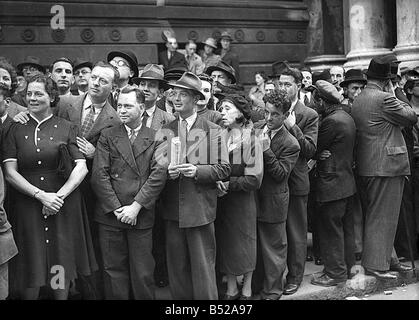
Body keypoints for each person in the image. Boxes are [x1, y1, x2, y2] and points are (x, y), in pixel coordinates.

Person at [3, 74, 97, 299]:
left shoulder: (67, 127)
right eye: (29, 94)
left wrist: (58, 197)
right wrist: (41, 196)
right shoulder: (14, 129)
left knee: (60, 258)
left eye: (39, 93)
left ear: (52, 96)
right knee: (31, 260)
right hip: (28, 204)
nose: (32, 98)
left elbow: (81, 167)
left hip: (62, 206)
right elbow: (9, 172)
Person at [158, 72, 231, 300]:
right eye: (174, 94)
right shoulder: (166, 129)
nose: (177, 98)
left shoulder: (213, 130)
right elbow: (156, 166)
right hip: (172, 210)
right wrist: (166, 172)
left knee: (203, 269)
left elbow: (224, 168)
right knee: (177, 270)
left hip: (199, 209)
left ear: (196, 99)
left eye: (183, 94)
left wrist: (197, 171)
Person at [91, 86, 167, 299]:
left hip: (140, 214)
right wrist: (117, 209)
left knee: (143, 272)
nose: (122, 110)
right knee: (113, 271)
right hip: (110, 214)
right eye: (120, 105)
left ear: (142, 108)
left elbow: (158, 175)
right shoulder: (107, 135)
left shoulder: (158, 137)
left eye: (128, 106)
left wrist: (135, 207)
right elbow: (99, 175)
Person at [352, 57, 417, 279]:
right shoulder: (384, 98)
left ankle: (389, 259)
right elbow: (410, 116)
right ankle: (375, 266)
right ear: (385, 81)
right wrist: (397, 93)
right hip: (385, 165)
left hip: (371, 164)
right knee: (382, 217)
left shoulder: (360, 97)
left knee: (380, 214)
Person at [252, 89, 300, 300]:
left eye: (275, 114)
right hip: (252, 198)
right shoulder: (255, 129)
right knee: (256, 247)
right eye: (266, 113)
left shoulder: (291, 143)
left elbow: (281, 174)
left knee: (274, 249)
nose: (268, 118)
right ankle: (256, 286)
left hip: (274, 200)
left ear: (285, 115)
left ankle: (273, 291)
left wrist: (265, 149)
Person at [216, 94, 263, 300]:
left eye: (227, 109)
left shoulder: (252, 141)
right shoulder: (220, 137)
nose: (222, 113)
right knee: (226, 243)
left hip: (243, 202)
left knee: (245, 244)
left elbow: (254, 180)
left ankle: (247, 288)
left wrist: (229, 184)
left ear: (241, 114)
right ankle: (232, 288)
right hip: (222, 201)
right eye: (221, 108)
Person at [310, 80, 357, 287]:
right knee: (344, 229)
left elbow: (313, 148)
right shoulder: (346, 116)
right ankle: (346, 268)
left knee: (331, 231)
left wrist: (319, 153)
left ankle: (335, 274)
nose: (314, 104)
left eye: (316, 100)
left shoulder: (331, 122)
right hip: (345, 182)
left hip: (331, 184)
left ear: (321, 101)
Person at [278, 65, 319, 295]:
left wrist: (293, 127)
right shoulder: (269, 108)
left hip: (296, 181)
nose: (282, 88)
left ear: (298, 86)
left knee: (295, 232)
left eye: (287, 84)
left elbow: (310, 150)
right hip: (273, 181)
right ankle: (274, 276)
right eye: (280, 84)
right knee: (275, 231)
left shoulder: (308, 115)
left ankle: (295, 276)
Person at [132, 64, 175, 130]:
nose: (145, 89)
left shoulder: (169, 120)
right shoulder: (127, 114)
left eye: (151, 85)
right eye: (142, 84)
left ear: (160, 92)